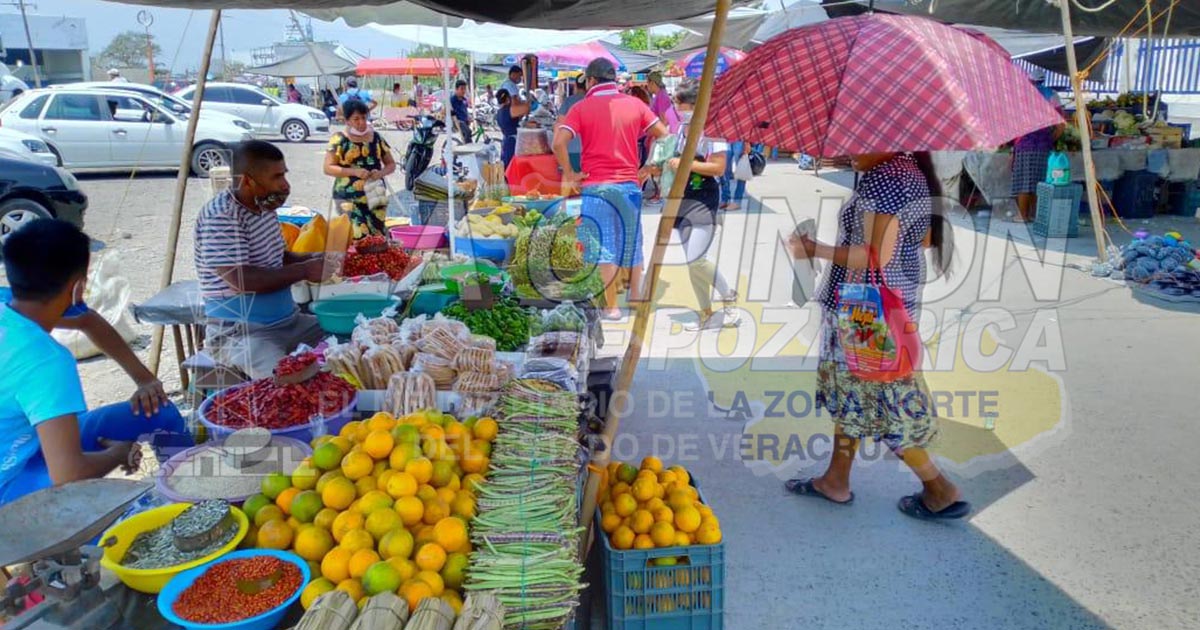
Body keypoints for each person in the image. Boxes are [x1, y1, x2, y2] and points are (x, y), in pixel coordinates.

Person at [785, 152, 970, 521]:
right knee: (856, 397)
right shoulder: (912, 172)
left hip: (868, 318)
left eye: (859, 141)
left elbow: (873, 259)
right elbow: (925, 239)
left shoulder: (886, 179)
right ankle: (836, 479)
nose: (850, 150)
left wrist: (814, 249)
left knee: (886, 408)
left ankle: (939, 489)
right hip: (887, 310)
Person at [0, 220, 192, 505]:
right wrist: (116, 453)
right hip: (11, 485)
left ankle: (189, 497)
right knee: (127, 516)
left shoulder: (10, 303)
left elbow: (86, 319)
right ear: (78, 287)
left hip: (29, 446)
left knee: (158, 411)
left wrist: (145, 380)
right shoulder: (46, 360)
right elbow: (69, 475)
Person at [194, 141, 335, 379]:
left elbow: (279, 257)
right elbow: (242, 280)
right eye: (277, 177)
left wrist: (314, 258)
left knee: (352, 341)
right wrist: (305, 270)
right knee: (290, 384)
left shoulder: (264, 208)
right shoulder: (221, 216)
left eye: (284, 175)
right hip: (242, 335)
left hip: (288, 322)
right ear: (248, 181)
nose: (285, 185)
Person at [553, 57, 668, 320]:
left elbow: (559, 142)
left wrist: (570, 174)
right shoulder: (635, 104)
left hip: (596, 187)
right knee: (632, 240)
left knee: (604, 244)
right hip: (629, 184)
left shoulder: (582, 108)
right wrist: (648, 168)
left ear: (591, 81)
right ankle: (637, 298)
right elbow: (665, 134)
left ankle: (612, 307)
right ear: (613, 80)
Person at [653, 80, 739, 331]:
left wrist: (686, 164)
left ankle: (728, 295)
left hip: (704, 199)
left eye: (681, 103)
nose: (678, 108)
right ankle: (706, 314)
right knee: (693, 262)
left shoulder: (713, 130)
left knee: (696, 259)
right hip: (682, 198)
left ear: (696, 104)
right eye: (677, 103)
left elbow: (719, 167)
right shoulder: (682, 129)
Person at [324, 99, 397, 238]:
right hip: (348, 195)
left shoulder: (376, 138)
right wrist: (354, 172)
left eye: (363, 117)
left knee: (378, 235)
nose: (361, 122)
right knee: (358, 235)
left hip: (376, 192)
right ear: (347, 120)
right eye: (356, 119)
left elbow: (391, 164)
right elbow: (328, 168)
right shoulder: (339, 140)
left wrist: (380, 173)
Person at [1011, 69, 1065, 222]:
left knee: (1024, 180)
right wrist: (1049, 139)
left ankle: (1022, 215)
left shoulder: (1021, 96)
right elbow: (1061, 126)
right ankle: (1035, 215)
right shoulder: (1052, 95)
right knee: (1039, 180)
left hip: (1024, 143)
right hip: (1043, 145)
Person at [556, 74, 588, 173]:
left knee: (569, 181)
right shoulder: (592, 101)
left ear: (575, 85)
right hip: (588, 150)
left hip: (570, 149)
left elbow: (560, 124)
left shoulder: (568, 101)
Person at [495, 88, 531, 167]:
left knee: (507, 165)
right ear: (508, 98)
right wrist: (516, 100)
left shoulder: (499, 112)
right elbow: (527, 108)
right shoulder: (509, 110)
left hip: (506, 141)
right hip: (512, 142)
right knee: (512, 165)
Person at [720, 140, 752, 210]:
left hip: (740, 137)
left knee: (742, 168)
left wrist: (747, 141)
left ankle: (737, 201)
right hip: (725, 137)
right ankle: (725, 199)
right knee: (723, 168)